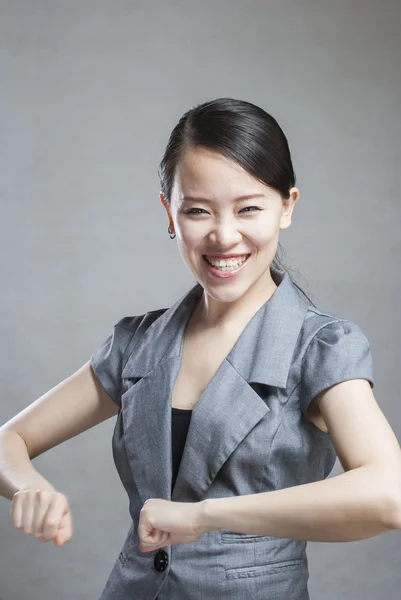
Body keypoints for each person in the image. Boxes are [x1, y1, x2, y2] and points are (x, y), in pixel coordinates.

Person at [1, 98, 400, 600]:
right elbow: (6, 442)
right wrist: (29, 488)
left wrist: (206, 515)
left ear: (288, 207)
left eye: (249, 208)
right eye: (197, 210)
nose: (224, 235)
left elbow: (388, 495)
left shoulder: (318, 346)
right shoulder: (138, 344)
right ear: (169, 212)